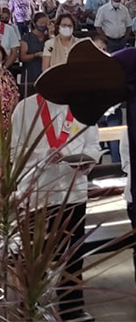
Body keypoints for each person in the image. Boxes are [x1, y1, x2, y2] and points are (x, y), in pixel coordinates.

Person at [12, 94, 100, 321]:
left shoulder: (84, 106)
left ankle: (72, 307)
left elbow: (93, 146)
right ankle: (30, 305)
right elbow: (15, 151)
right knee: (33, 256)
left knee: (73, 255)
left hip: (73, 192)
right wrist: (44, 155)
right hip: (37, 193)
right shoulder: (26, 107)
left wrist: (88, 161)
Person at [19, 12, 49, 93]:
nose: (44, 25)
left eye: (46, 23)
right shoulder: (26, 38)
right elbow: (22, 57)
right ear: (34, 23)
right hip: (31, 72)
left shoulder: (49, 38)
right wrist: (36, 55)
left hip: (45, 73)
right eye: (41, 23)